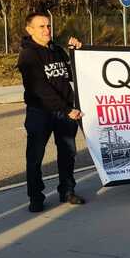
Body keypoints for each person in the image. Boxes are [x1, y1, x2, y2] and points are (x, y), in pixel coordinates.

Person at [18, 12, 85, 212]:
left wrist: (76, 53)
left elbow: (73, 74)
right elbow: (39, 89)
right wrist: (67, 109)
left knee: (67, 154)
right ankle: (36, 197)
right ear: (29, 30)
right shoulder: (28, 55)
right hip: (41, 112)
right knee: (35, 157)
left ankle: (67, 190)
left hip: (65, 114)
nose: (47, 30)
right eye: (41, 26)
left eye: (48, 26)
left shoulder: (57, 50)